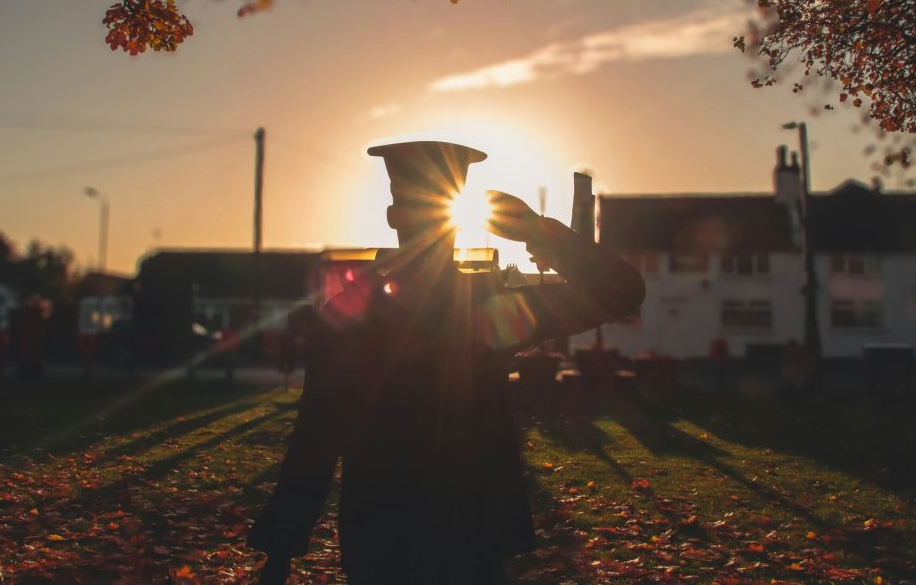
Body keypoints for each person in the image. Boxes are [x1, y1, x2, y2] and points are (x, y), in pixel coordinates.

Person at [247, 141, 645, 584]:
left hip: (394, 533)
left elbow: (316, 434)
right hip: (451, 534)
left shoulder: (356, 313)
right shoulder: (483, 307)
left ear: (393, 216)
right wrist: (537, 232)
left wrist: (280, 549)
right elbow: (619, 292)